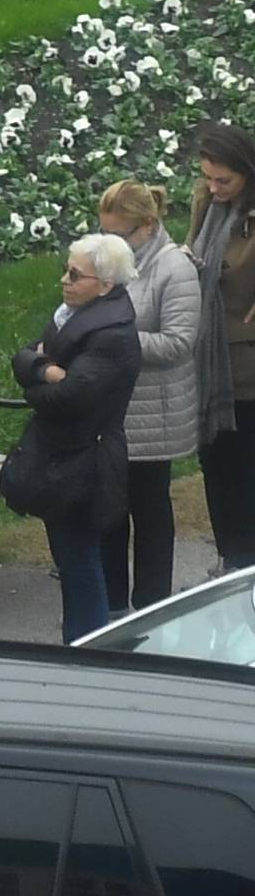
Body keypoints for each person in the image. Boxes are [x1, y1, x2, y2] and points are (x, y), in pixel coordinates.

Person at [8, 235, 143, 644]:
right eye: (65, 269)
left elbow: (71, 396)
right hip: (63, 453)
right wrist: (47, 368)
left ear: (104, 284)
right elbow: (24, 356)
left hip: (85, 458)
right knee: (73, 561)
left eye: (75, 274)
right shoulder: (73, 314)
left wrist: (36, 379)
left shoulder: (111, 333)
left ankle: (88, 649)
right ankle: (85, 643)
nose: (64, 280)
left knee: (81, 561)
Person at [97, 180, 201, 612]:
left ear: (148, 224)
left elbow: (178, 343)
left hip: (154, 414)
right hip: (114, 409)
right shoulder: (110, 262)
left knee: (150, 510)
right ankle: (115, 606)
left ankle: (154, 605)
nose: (110, 245)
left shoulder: (173, 268)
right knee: (109, 511)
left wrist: (114, 340)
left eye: (119, 236)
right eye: (104, 234)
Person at [187, 124, 255, 572]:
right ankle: (231, 559)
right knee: (218, 466)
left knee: (247, 470)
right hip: (210, 364)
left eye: (223, 181)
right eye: (208, 178)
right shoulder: (207, 204)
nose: (214, 189)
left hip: (247, 366)